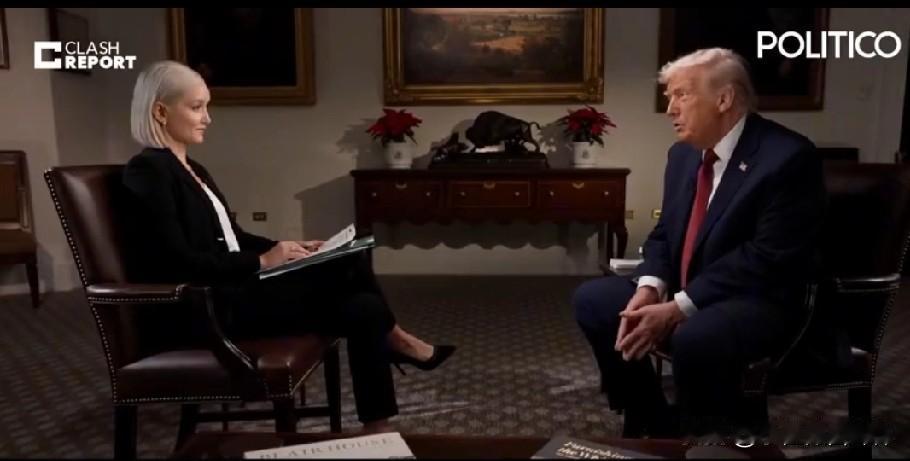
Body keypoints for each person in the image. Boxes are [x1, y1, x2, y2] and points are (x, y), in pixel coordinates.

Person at [121, 60, 456, 434]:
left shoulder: (191, 168)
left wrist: (288, 247)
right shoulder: (148, 171)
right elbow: (176, 261)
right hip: (209, 307)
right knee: (350, 266)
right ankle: (399, 341)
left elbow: (232, 237)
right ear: (161, 111)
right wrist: (263, 261)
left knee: (362, 301)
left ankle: (377, 428)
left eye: (207, 107)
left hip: (235, 291)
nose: (207, 118)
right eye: (197, 107)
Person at [572, 48, 826, 438]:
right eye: (669, 97)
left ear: (724, 99)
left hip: (758, 298)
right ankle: (650, 418)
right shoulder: (682, 155)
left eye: (681, 95)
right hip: (691, 286)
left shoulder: (787, 157)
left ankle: (707, 434)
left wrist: (679, 306)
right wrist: (649, 287)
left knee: (695, 335)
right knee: (595, 300)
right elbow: (664, 233)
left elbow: (766, 257)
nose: (670, 109)